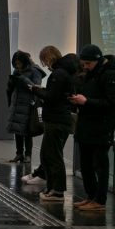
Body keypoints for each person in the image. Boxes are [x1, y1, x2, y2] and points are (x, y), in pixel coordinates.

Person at [68, 43, 115, 212]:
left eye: (88, 64)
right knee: (86, 164)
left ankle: (100, 200)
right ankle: (91, 196)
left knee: (100, 164)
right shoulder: (91, 75)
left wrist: (87, 101)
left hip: (101, 127)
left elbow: (112, 103)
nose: (85, 67)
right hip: (87, 125)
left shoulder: (110, 75)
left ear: (98, 61)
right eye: (83, 64)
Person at [28, 46, 79, 202]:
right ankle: (52, 188)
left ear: (48, 58)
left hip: (56, 120)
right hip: (59, 119)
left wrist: (35, 90)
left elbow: (51, 97)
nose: (45, 65)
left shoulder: (59, 74)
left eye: (44, 61)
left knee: (52, 156)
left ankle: (57, 191)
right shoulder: (65, 73)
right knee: (48, 154)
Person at [5, 50, 45, 163]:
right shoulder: (17, 70)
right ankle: (19, 153)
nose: (18, 66)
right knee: (17, 129)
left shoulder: (34, 71)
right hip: (17, 102)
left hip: (29, 104)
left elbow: (36, 87)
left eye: (19, 63)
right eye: (16, 64)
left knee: (28, 130)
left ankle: (28, 154)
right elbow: (11, 87)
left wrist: (23, 79)